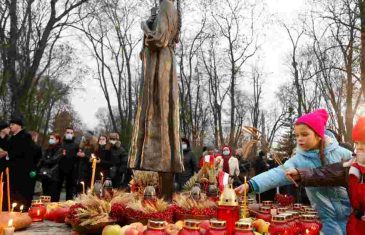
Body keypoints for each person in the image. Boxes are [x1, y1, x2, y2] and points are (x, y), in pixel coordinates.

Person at [235, 109, 352, 235]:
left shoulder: (341, 153)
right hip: (324, 219)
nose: (300, 139)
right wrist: (251, 184)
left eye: (305, 134)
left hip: (351, 215)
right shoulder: (299, 160)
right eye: (297, 135)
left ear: (319, 135)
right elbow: (278, 173)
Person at [128, 0, 184, 175]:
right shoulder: (167, 8)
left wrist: (144, 26)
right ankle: (157, 158)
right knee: (158, 104)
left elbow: (158, 39)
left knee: (158, 104)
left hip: (161, 60)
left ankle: (157, 159)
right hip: (160, 59)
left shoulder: (166, 6)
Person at [285, 117, 365, 235]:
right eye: (357, 143)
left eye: (363, 142)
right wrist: (301, 174)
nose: (358, 147)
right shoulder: (353, 165)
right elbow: (327, 173)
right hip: (356, 227)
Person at [4, 115, 34, 210]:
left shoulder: (26, 136)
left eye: (13, 124)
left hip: (22, 170)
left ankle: (20, 210)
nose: (11, 126)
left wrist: (8, 154)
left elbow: (22, 151)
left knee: (20, 194)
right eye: (10, 124)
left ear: (19, 126)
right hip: (12, 170)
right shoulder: (12, 137)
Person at [38, 133, 62, 202]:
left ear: (57, 140)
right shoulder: (48, 149)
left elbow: (53, 160)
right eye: (50, 138)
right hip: (45, 175)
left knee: (52, 196)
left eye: (52, 138)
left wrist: (45, 160)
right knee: (44, 195)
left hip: (53, 176)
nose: (50, 140)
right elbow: (42, 158)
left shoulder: (59, 150)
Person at [58, 127, 78, 200]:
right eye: (68, 132)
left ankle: (68, 207)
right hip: (60, 169)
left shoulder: (76, 145)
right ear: (65, 133)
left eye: (71, 133)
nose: (69, 134)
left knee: (69, 191)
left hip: (71, 170)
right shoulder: (61, 144)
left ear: (73, 134)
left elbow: (77, 157)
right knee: (57, 188)